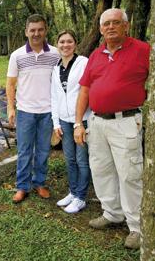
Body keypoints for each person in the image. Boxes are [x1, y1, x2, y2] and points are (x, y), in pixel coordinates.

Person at [74, 8, 150, 249]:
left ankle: (136, 226)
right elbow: (84, 90)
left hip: (126, 121)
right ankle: (112, 212)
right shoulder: (96, 56)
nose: (110, 27)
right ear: (100, 29)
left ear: (125, 25)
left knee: (129, 173)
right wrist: (78, 123)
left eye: (115, 22)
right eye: (105, 24)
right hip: (97, 122)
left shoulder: (143, 50)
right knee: (101, 169)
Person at [6, 14, 60, 203]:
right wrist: (11, 108)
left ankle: (39, 183)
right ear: (26, 32)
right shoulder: (17, 55)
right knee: (24, 150)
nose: (36, 34)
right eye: (32, 30)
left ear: (45, 30)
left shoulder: (55, 54)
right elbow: (11, 84)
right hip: (25, 111)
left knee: (44, 150)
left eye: (40, 30)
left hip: (48, 111)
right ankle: (22, 186)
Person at [51, 30, 91, 213]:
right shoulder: (56, 67)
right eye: (62, 42)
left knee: (82, 160)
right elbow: (54, 97)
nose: (65, 45)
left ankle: (81, 197)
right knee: (70, 159)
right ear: (57, 44)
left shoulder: (83, 63)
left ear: (75, 43)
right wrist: (56, 123)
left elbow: (88, 90)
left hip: (82, 120)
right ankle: (73, 192)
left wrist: (80, 122)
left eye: (69, 41)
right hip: (64, 121)